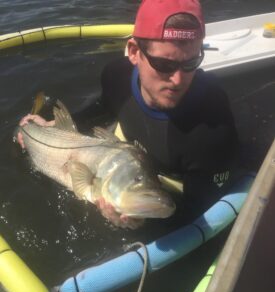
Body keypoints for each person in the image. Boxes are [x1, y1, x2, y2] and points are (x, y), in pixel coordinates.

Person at [18, 0, 242, 228]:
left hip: (170, 182)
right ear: (134, 52)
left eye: (191, 62)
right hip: (122, 159)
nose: (178, 80)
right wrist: (51, 125)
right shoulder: (117, 75)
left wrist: (144, 221)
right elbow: (104, 106)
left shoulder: (211, 129)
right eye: (164, 64)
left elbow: (205, 207)